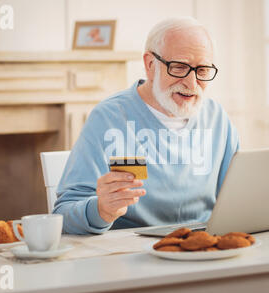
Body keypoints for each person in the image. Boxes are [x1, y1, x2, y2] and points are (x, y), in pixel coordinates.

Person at [53, 16, 240, 234]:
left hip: (206, 248)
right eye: (179, 67)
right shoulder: (108, 118)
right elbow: (63, 215)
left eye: (203, 71)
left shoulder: (217, 118)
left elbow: (238, 200)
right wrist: (101, 210)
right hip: (131, 255)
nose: (191, 83)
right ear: (150, 65)